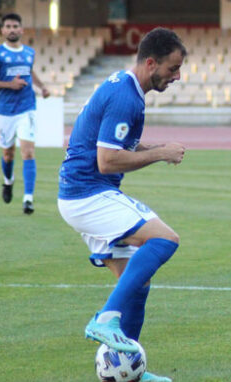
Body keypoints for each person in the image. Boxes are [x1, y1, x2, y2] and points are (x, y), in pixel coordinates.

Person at [57, 28, 186, 382]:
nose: (177, 76)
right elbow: (107, 161)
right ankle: (105, 317)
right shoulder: (126, 97)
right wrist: (161, 154)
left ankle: (130, 370)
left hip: (80, 193)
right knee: (164, 240)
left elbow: (117, 144)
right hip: (89, 193)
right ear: (150, 63)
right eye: (172, 69)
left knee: (137, 283)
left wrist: (153, 148)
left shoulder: (122, 87)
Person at [0, 13, 50, 214]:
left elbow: (30, 71)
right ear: (2, 31)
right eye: (8, 26)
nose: (11, 29)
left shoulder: (29, 52)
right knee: (8, 154)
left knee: (28, 151)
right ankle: (8, 181)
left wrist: (42, 87)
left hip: (26, 108)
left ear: (21, 29)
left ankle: (28, 198)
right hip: (4, 111)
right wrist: (10, 85)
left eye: (15, 26)